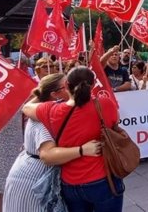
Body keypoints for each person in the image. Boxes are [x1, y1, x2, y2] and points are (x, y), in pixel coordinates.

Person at [22, 67, 123, 211]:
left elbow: (26, 107)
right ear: (93, 85)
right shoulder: (105, 104)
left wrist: (42, 91)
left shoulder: (51, 110)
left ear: (66, 86)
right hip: (102, 178)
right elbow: (115, 122)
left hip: (70, 183)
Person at [3, 74, 102, 212]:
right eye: (67, 85)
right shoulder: (43, 118)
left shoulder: (51, 110)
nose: (72, 87)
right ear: (55, 94)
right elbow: (47, 155)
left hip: (41, 178)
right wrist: (82, 150)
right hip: (33, 182)